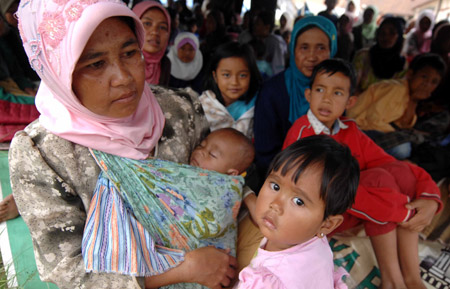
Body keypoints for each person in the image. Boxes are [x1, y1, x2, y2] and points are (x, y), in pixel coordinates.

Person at [10, 1, 238, 288]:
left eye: (130, 53)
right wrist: (183, 271)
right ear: (59, 73)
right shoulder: (43, 153)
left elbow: (219, 187)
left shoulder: (180, 110)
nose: (124, 77)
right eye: (96, 63)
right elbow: (67, 269)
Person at [283, 59, 442, 289]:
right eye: (320, 90)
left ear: (350, 101)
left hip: (351, 206)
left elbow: (393, 164)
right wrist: (404, 212)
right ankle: (392, 281)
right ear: (308, 94)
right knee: (380, 180)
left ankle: (411, 278)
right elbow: (332, 192)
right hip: (319, 216)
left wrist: (430, 197)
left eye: (337, 93)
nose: (326, 99)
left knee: (398, 171)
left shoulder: (350, 130)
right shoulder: (303, 136)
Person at [83, 128, 254, 280]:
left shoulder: (226, 189)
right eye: (202, 145)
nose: (201, 152)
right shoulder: (181, 172)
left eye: (212, 154)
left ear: (231, 174)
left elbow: (214, 218)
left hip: (213, 266)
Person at [235, 135, 358, 289]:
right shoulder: (313, 242)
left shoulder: (269, 282)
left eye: (298, 202)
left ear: (327, 225)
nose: (275, 204)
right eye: (275, 186)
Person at [253, 16, 337, 182]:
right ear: (292, 49)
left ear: (332, 50)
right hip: (281, 177)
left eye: (321, 48)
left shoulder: (337, 91)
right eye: (304, 47)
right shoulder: (272, 92)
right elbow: (265, 154)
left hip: (327, 178)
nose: (312, 56)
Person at [347, 53, 446, 160]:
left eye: (434, 82)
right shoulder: (396, 89)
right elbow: (372, 120)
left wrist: (414, 101)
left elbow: (403, 124)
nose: (427, 84)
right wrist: (396, 134)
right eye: (424, 77)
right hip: (357, 126)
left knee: (405, 145)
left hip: (372, 129)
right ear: (410, 74)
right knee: (402, 148)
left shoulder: (409, 96)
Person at [199, 41, 262, 139]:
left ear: (251, 76)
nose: (234, 82)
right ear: (215, 76)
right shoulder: (202, 106)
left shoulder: (258, 105)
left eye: (242, 75)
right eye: (226, 75)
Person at [353, 16, 407, 94]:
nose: (386, 37)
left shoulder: (402, 65)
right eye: (382, 32)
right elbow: (353, 87)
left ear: (399, 37)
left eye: (392, 33)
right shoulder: (363, 56)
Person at [133, 1, 172, 86]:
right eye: (147, 23)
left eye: (162, 27)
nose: (155, 32)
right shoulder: (120, 61)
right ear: (133, 26)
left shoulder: (165, 64)